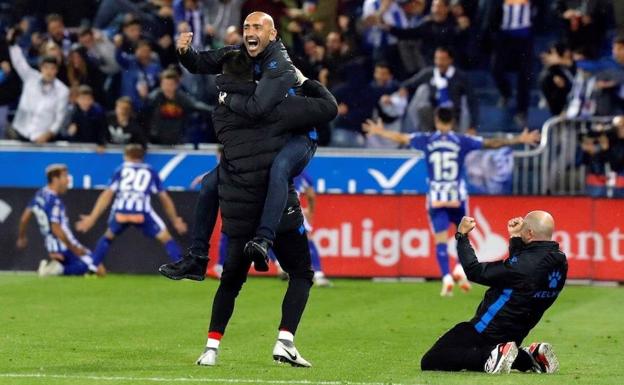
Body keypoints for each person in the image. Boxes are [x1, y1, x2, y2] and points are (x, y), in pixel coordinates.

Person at [173, 50, 337, 367]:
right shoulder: (279, 108)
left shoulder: (221, 114)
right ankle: (285, 341)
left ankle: (210, 348)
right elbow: (328, 108)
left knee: (230, 283)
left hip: (239, 207)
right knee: (301, 274)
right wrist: (303, 82)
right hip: (278, 208)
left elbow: (241, 123)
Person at [161, 11, 316, 277]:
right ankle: (198, 258)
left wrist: (225, 99)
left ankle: (265, 240)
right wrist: (185, 52)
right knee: (210, 185)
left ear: (273, 34)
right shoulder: (237, 55)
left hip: (288, 137)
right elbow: (201, 63)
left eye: (257, 26)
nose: (249, 32)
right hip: (257, 140)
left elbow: (258, 108)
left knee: (278, 172)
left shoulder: (279, 65)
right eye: (246, 27)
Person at [362, 107, 540, 296]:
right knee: (462, 235)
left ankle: (446, 276)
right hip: (457, 197)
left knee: (440, 239)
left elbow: (402, 138)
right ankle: (457, 267)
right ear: (453, 122)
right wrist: (519, 139)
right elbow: (491, 143)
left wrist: (380, 132)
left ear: (437, 121)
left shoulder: (427, 139)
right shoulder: (462, 141)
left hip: (437, 196)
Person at [420, 212, 568, 374]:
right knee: (471, 348)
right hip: (515, 333)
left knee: (433, 358)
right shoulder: (560, 261)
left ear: (531, 233)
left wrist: (462, 236)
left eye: (524, 228)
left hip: (485, 331)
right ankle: (531, 358)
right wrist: (516, 238)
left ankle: (492, 356)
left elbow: (474, 271)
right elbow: (523, 271)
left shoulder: (522, 267)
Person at [75, 145, 188, 267]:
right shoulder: (150, 171)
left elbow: (106, 195)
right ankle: (181, 268)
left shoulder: (121, 169)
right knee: (166, 238)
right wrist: (175, 220)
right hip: (142, 212)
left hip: (121, 211)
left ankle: (92, 268)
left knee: (107, 237)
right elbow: (164, 198)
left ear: (126, 155)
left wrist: (92, 218)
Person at [16, 164, 101, 277]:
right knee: (99, 270)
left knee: (89, 269)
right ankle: (57, 270)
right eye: (65, 177)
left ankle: (58, 268)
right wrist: (73, 248)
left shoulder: (40, 195)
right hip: (64, 246)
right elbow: (55, 227)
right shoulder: (54, 201)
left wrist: (21, 237)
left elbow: (24, 218)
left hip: (52, 246)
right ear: (55, 179)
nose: (68, 180)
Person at [6, 28, 69, 143]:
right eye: (46, 68)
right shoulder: (30, 77)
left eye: (52, 68)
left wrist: (49, 134)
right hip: (21, 131)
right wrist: (13, 44)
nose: (49, 71)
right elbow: (19, 62)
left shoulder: (63, 90)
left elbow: (59, 118)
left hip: (43, 137)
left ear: (56, 70)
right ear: (41, 68)